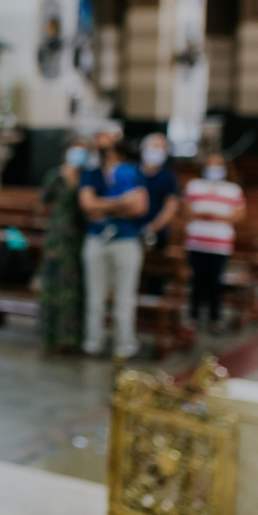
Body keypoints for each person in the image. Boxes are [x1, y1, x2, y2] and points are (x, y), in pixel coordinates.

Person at [78, 132, 148, 359]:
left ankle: (124, 345)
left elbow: (138, 206)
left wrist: (103, 206)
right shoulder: (90, 173)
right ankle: (93, 343)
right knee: (95, 296)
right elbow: (87, 205)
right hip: (97, 240)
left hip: (126, 240)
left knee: (124, 298)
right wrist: (120, 204)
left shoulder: (132, 171)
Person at [183, 153, 246, 333]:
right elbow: (185, 208)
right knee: (197, 279)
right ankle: (193, 314)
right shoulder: (194, 186)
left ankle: (214, 316)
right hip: (196, 241)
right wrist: (201, 213)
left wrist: (218, 216)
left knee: (215, 281)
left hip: (219, 243)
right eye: (210, 164)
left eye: (217, 164)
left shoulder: (232, 189)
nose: (213, 168)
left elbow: (240, 214)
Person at [37, 140, 88, 355]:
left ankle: (72, 338)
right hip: (58, 236)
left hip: (79, 237)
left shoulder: (88, 177)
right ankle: (50, 336)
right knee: (53, 286)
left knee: (74, 289)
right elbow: (43, 203)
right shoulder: (55, 177)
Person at [136, 132, 180, 250]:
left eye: (161, 148)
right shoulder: (133, 172)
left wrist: (151, 228)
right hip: (128, 232)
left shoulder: (168, 177)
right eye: (153, 146)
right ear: (143, 149)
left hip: (156, 235)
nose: (156, 151)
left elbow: (171, 206)